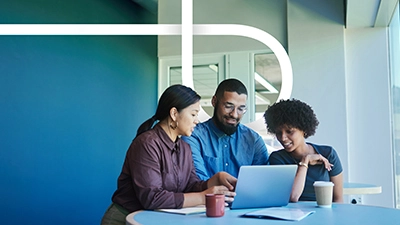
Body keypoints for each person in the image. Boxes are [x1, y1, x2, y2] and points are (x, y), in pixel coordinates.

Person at [101, 84, 237, 225]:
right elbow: (152, 198)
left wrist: (213, 181)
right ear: (174, 114)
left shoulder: (184, 148)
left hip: (153, 220)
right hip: (125, 220)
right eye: (193, 114)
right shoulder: (147, 144)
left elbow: (190, 186)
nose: (197, 120)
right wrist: (203, 197)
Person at [182, 78, 269, 180]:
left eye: (241, 109)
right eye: (228, 106)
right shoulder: (193, 136)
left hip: (245, 196)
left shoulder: (254, 140)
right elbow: (197, 181)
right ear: (214, 101)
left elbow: (262, 181)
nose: (234, 114)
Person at [263, 98, 343, 203]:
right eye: (278, 132)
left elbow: (338, 199)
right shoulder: (278, 159)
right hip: (291, 215)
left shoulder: (328, 154)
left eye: (289, 131)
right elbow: (293, 196)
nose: (283, 138)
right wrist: (305, 162)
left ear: (304, 130)